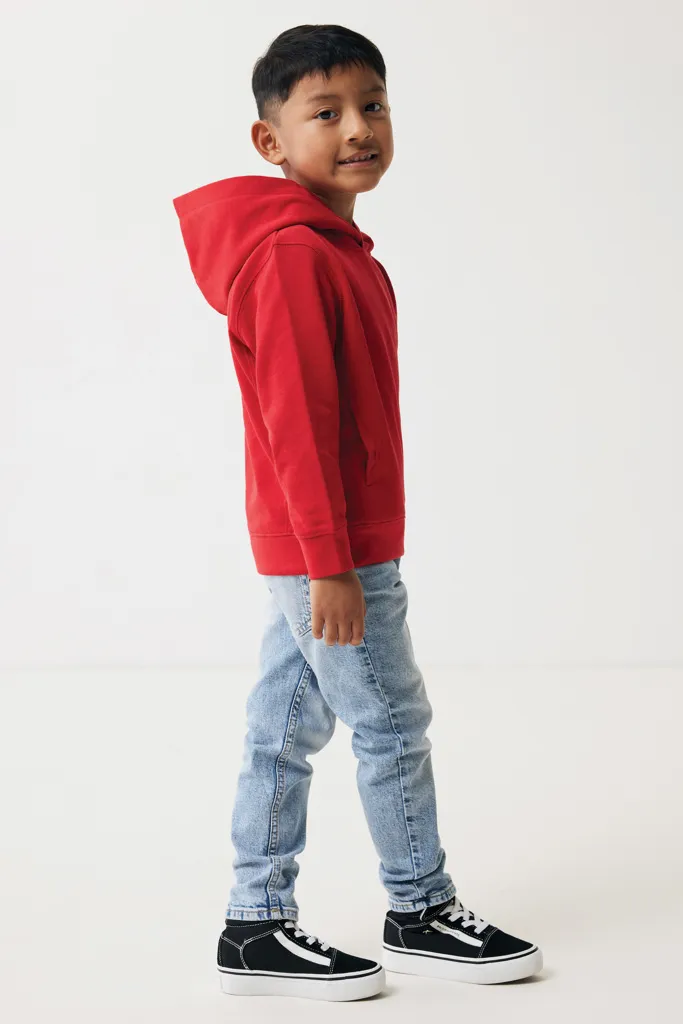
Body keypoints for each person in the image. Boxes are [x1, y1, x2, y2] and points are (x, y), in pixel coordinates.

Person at [173, 22, 543, 1003]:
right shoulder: (294, 257)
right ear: (270, 140)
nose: (356, 129)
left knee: (282, 729)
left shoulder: (339, 254)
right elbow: (296, 424)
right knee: (389, 722)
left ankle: (254, 924)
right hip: (328, 550)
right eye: (325, 112)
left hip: (323, 543)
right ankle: (419, 906)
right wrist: (330, 561)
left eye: (372, 105)